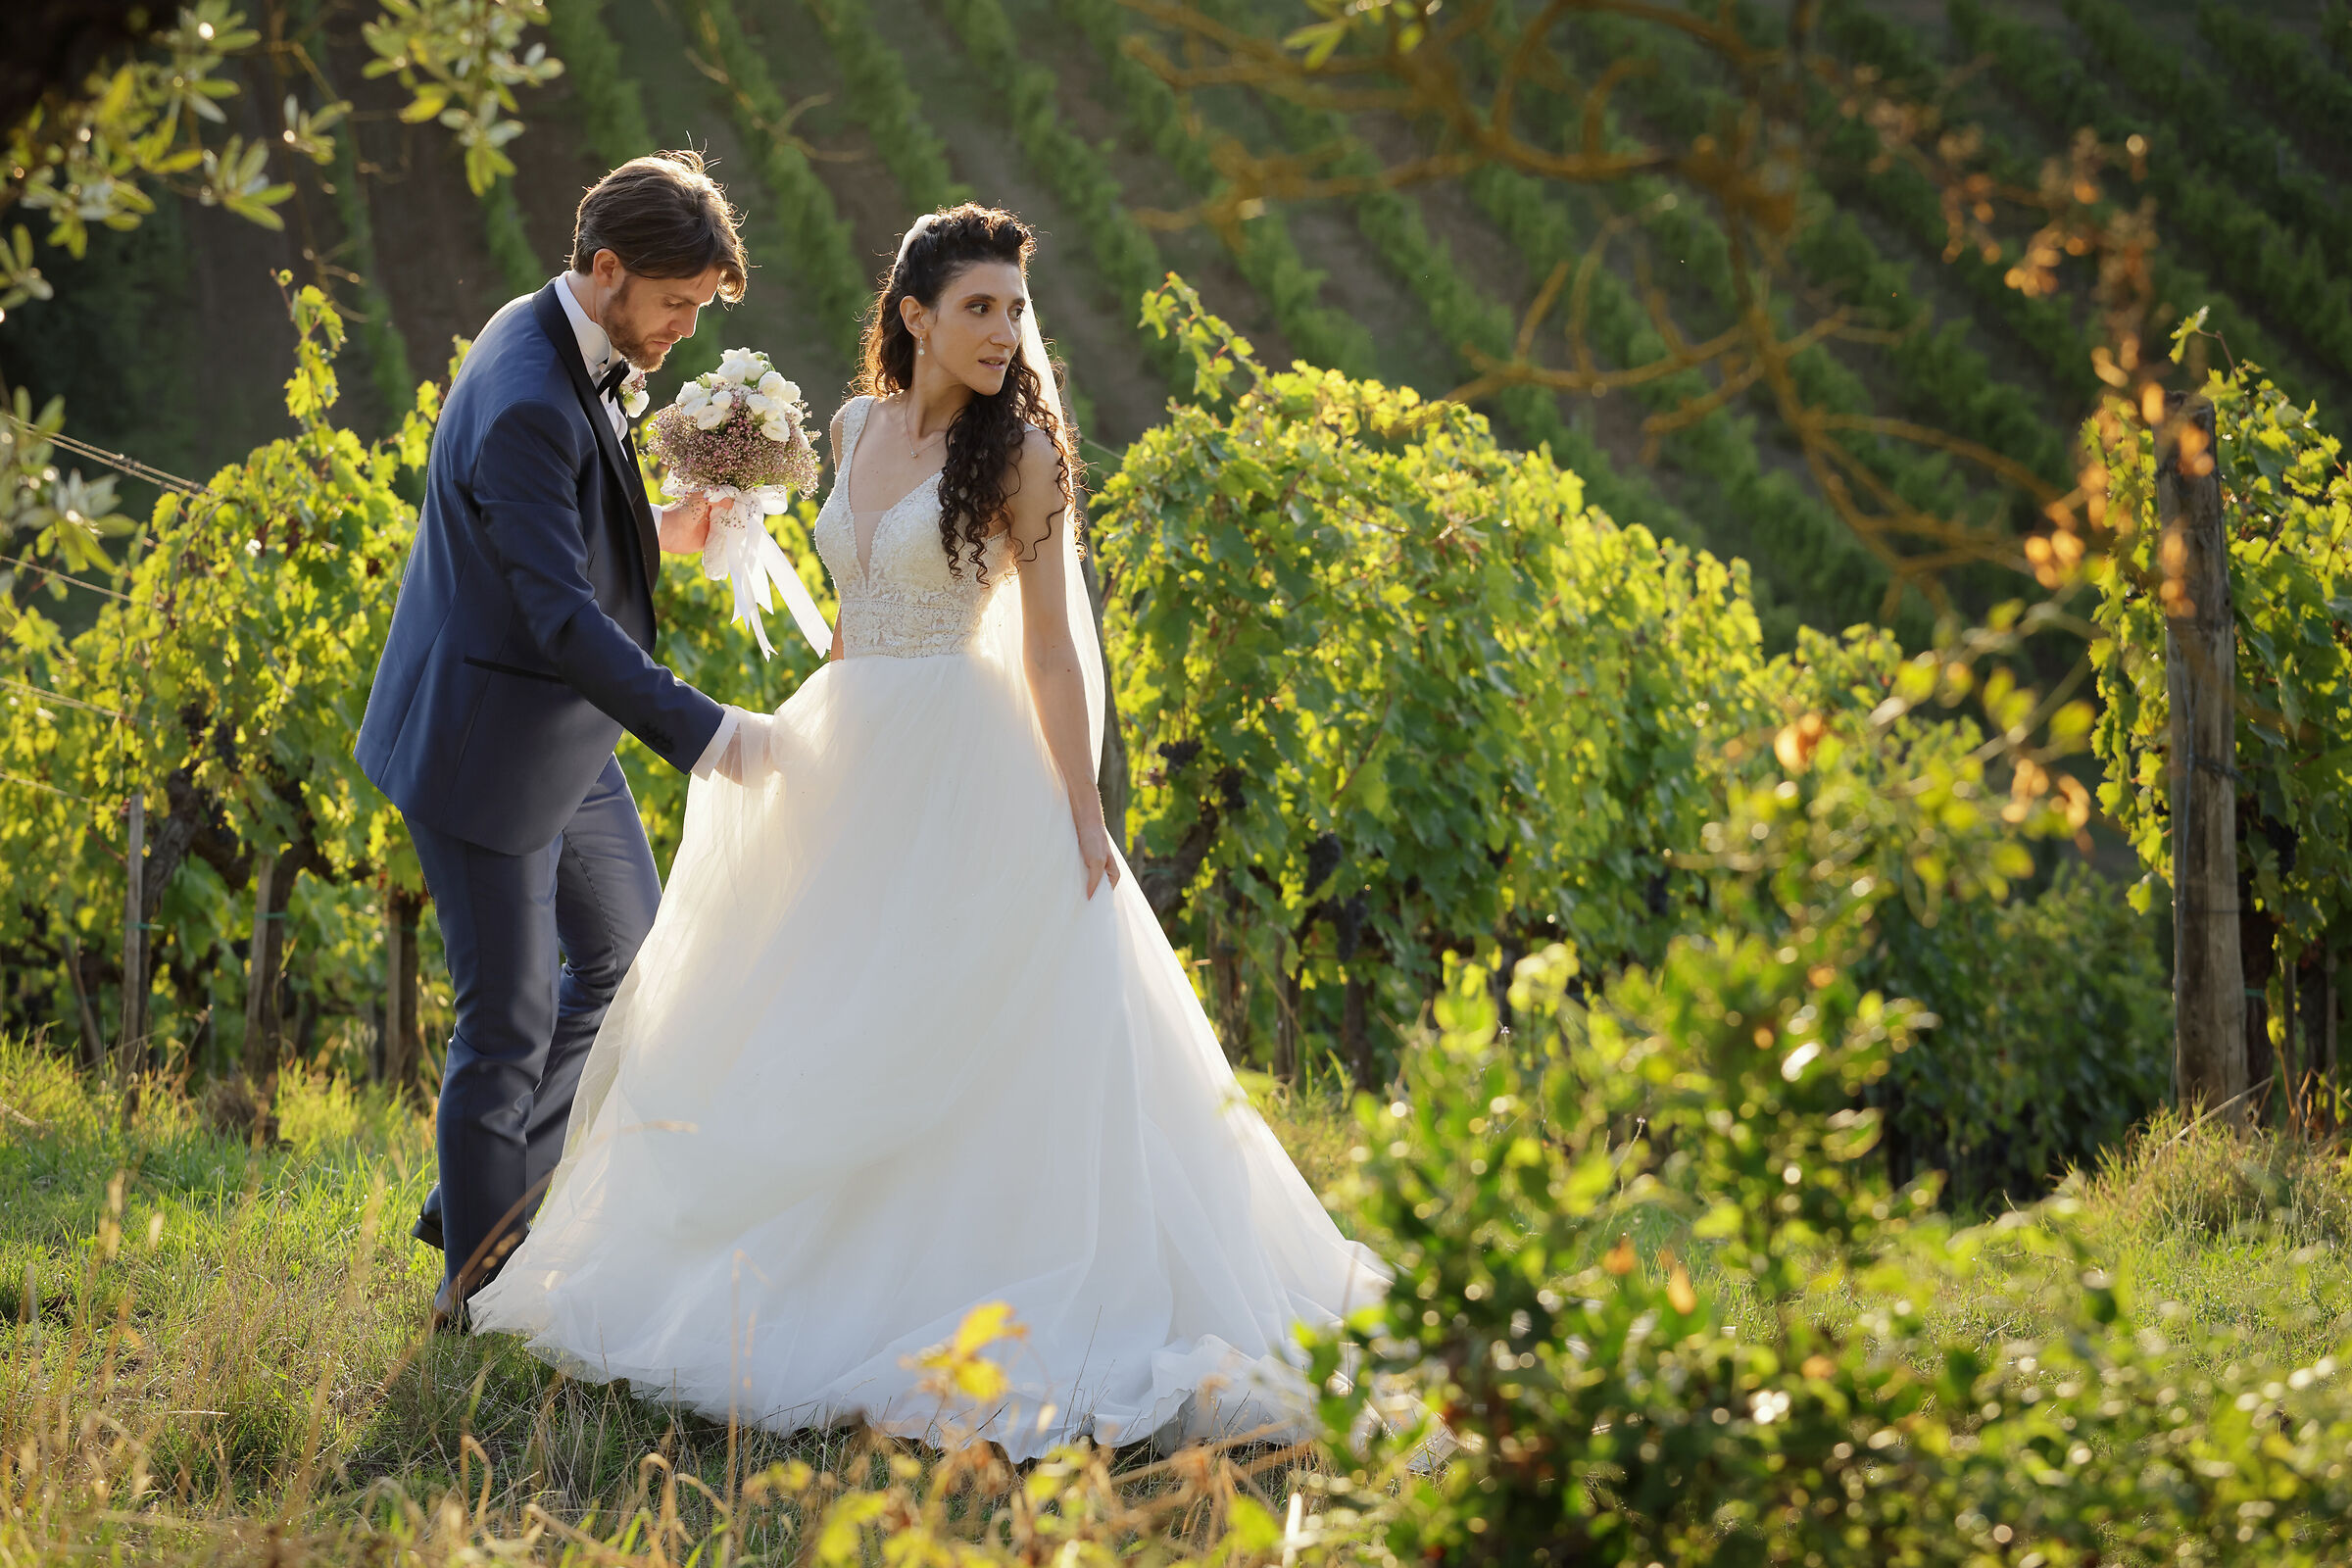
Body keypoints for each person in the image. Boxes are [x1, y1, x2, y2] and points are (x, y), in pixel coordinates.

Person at [466, 205, 1385, 1458]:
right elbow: (851, 612)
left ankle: (954, 1299)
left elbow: (1056, 651)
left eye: (1015, 309)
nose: (1006, 332)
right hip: (851, 739)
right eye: (980, 308)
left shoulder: (1026, 458)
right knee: (809, 1014)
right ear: (913, 316)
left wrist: (1082, 812)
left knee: (956, 1028)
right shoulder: (848, 429)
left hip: (970, 756)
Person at [356, 152, 779, 1330]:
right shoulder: (532, 397)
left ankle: (470, 1200)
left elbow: (566, 530)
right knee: (508, 1021)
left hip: (561, 736)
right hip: (484, 746)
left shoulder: (566, 337)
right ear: (607, 270)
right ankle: (478, 1290)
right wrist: (710, 733)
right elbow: (556, 615)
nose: (687, 329)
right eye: (677, 303)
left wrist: (677, 528)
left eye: (702, 307)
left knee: (627, 963)